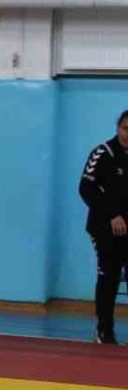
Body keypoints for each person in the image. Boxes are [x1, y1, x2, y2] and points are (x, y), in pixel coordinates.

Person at [78, 111, 128, 345]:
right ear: (118, 127)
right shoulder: (103, 153)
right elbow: (85, 189)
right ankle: (104, 330)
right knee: (109, 276)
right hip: (105, 228)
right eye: (125, 128)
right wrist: (113, 215)